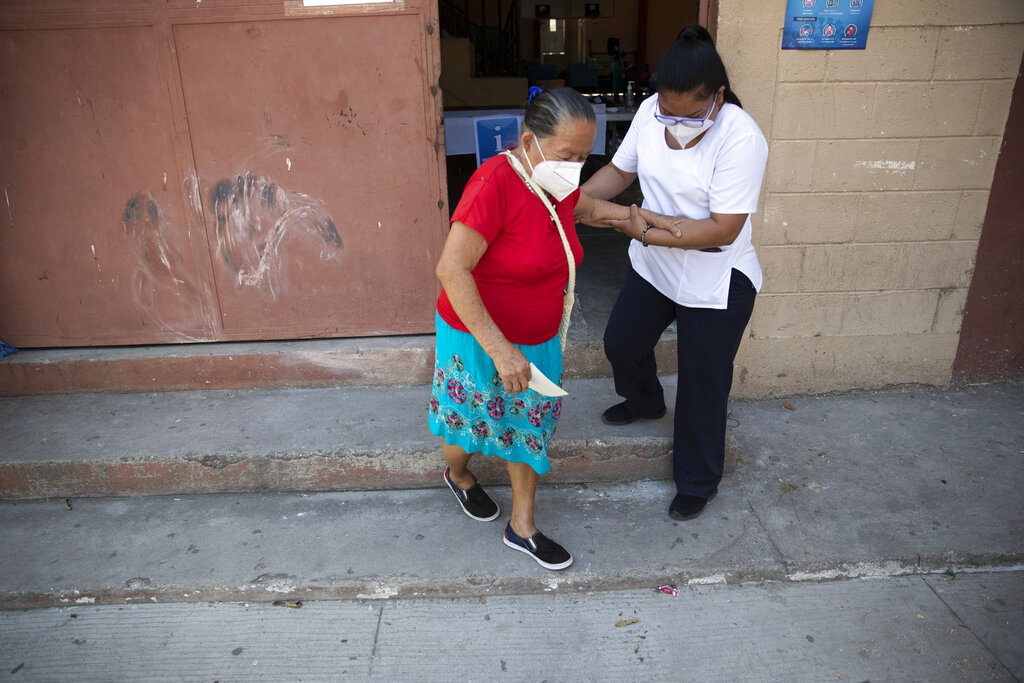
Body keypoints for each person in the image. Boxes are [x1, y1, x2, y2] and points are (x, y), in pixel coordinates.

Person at [430, 87, 630, 570]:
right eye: (568, 155)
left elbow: (585, 208)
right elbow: (451, 269)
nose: (575, 167)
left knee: (529, 425)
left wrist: (641, 221)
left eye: (585, 156)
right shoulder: (493, 182)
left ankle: (522, 527)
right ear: (528, 141)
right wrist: (500, 349)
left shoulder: (555, 183)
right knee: (468, 421)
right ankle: (457, 475)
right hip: (477, 335)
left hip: (537, 337)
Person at [582, 25, 769, 521]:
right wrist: (582, 200)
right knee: (622, 341)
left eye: (690, 114)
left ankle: (698, 479)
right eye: (669, 111)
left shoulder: (740, 136)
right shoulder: (649, 113)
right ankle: (645, 401)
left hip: (716, 276)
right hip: (657, 265)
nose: (677, 122)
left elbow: (723, 230)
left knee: (703, 382)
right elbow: (621, 173)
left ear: (717, 97)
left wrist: (632, 227)